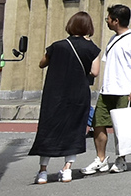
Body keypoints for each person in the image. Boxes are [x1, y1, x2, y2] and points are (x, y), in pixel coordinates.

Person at [29, 12, 100, 183]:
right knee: (74, 129)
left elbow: (41, 63)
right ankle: (67, 169)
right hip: (78, 95)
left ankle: (43, 172)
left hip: (54, 94)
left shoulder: (58, 46)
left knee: (49, 128)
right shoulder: (92, 48)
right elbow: (95, 72)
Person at [87, 3, 131, 174]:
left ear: (116, 20)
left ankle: (121, 158)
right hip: (107, 90)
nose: (107, 21)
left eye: (108, 19)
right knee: (98, 123)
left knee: (123, 128)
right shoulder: (113, 39)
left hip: (125, 91)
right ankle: (101, 159)